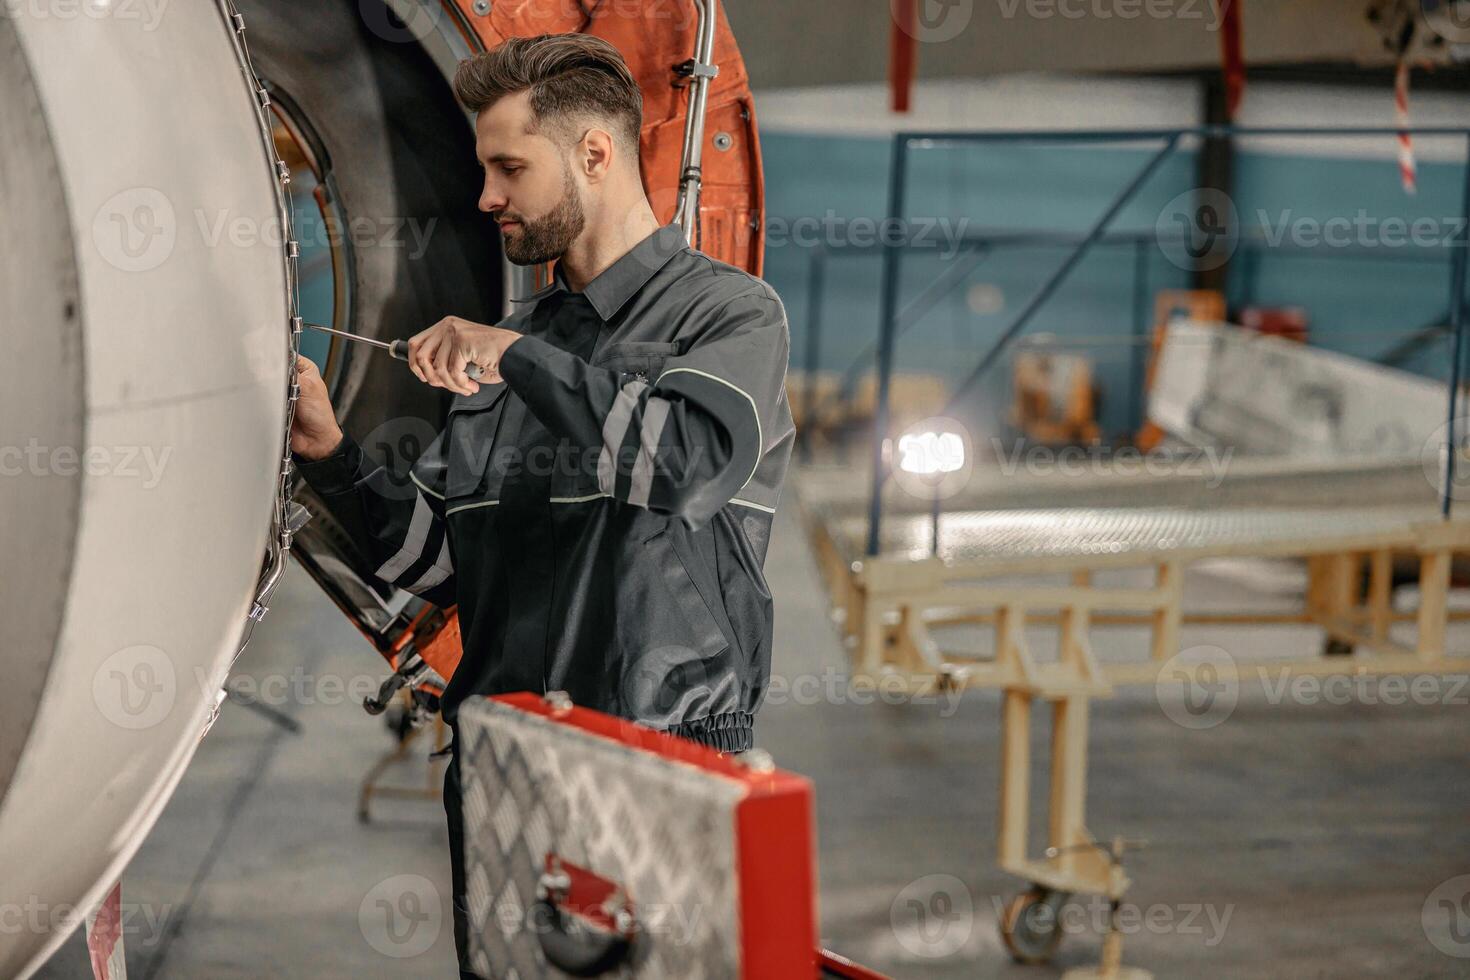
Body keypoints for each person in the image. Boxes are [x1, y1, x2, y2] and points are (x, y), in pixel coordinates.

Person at [286, 32, 793, 976]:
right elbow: (432, 556)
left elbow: (684, 464)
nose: (487, 197)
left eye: (509, 167)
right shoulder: (515, 340)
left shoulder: (727, 316)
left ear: (595, 153)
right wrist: (331, 455)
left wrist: (517, 358)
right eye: (484, 168)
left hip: (660, 757)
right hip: (507, 762)